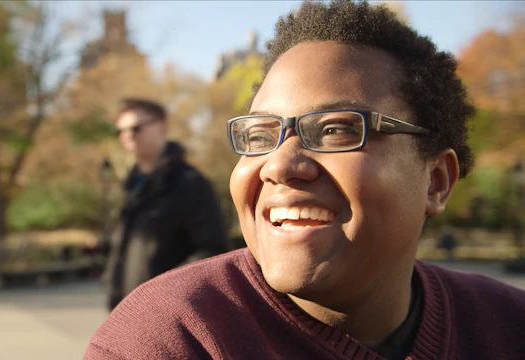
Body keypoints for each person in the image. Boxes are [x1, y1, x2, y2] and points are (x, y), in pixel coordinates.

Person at [84, 1, 525, 359]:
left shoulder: (506, 326)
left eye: (336, 129)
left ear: (436, 181)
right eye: (259, 135)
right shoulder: (168, 338)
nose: (279, 164)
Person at [103, 97, 229, 310]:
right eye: (121, 131)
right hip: (125, 312)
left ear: (161, 127)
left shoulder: (189, 183)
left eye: (135, 128)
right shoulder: (132, 186)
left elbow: (212, 251)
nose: (127, 136)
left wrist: (164, 294)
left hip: (165, 314)